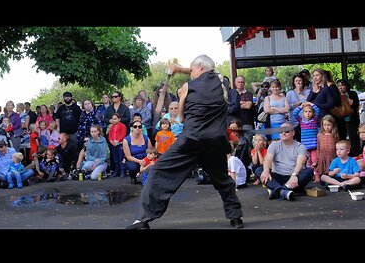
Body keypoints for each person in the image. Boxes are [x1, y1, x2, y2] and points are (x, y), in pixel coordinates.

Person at [126, 54, 244, 229]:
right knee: (222, 180)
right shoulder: (223, 83)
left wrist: (181, 96)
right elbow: (205, 71)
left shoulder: (188, 86)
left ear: (201, 68)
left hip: (192, 140)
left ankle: (142, 220)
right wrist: (179, 69)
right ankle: (236, 217)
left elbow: (180, 118)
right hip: (216, 142)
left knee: (158, 171)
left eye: (193, 70)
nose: (191, 74)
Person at [255, 123, 314, 201]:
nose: (283, 133)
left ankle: (277, 190)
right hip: (277, 176)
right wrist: (266, 171)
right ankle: (283, 191)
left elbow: (300, 164)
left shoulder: (300, 147)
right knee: (259, 170)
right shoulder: (274, 144)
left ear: (293, 133)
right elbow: (268, 159)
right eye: (281, 131)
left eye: (286, 131)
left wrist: (294, 175)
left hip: (293, 177)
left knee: (309, 171)